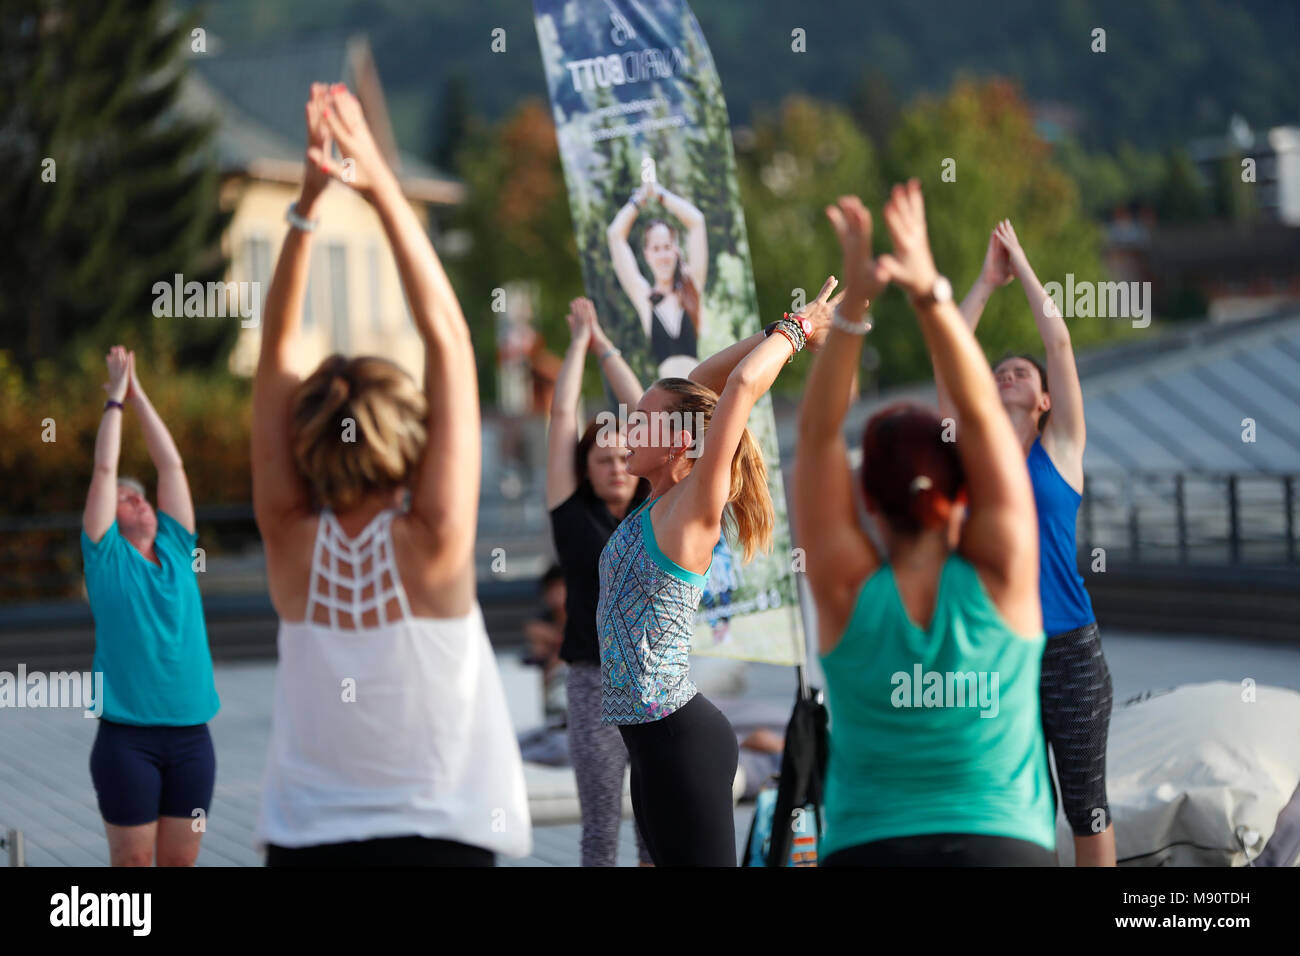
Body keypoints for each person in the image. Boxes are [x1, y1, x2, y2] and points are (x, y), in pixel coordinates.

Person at [251, 83, 530, 866]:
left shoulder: (285, 539)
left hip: (307, 838)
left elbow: (273, 357)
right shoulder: (435, 537)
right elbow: (447, 336)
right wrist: (381, 186)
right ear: (410, 444)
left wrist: (306, 212)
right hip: (441, 837)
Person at [794, 183, 1056, 866]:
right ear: (963, 490)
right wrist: (929, 290)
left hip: (869, 848)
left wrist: (854, 304)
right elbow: (979, 419)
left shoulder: (847, 591)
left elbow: (818, 436)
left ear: (867, 502)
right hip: (1005, 845)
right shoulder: (1003, 576)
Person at [597, 273, 839, 866]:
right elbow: (701, 385)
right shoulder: (652, 500)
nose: (627, 428)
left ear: (681, 443)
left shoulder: (696, 505)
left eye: (642, 422)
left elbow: (739, 388)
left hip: (683, 741)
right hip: (648, 749)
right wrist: (768, 330)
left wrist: (798, 329)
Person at [933, 219, 1115, 866]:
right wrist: (984, 284)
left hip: (1069, 650)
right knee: (1019, 804)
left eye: (1020, 373)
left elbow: (1059, 344)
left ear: (1043, 401)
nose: (1007, 373)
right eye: (999, 370)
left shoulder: (1060, 453)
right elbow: (945, 355)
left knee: (1086, 805)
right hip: (1000, 651)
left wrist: (1022, 265)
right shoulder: (972, 455)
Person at [81, 346, 220, 867]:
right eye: (125, 497)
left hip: (192, 739)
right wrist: (115, 400)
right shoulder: (105, 557)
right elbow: (103, 466)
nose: (139, 499)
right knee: (135, 868)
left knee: (180, 864)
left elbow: (171, 463)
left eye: (142, 496)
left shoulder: (179, 549)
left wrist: (139, 397)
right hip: (127, 742)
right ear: (108, 517)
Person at [546, 296, 656, 867]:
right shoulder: (571, 513)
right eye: (601, 460)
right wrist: (575, 346)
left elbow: (650, 412)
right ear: (585, 470)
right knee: (600, 831)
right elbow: (562, 420)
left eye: (623, 457)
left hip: (657, 683)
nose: (615, 466)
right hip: (593, 684)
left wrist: (606, 346)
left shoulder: (656, 510)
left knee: (655, 830)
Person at [607, 180, 708, 379]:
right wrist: (640, 199)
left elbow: (697, 222)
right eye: (656, 248)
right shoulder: (644, 297)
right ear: (647, 254)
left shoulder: (692, 286)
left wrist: (660, 193)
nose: (662, 255)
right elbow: (615, 234)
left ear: (676, 251)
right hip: (666, 402)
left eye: (667, 247)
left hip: (699, 395)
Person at [522, 564, 569, 721]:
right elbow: (532, 630)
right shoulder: (542, 619)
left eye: (560, 588)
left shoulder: (584, 616)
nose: (556, 594)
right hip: (548, 698)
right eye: (551, 589)